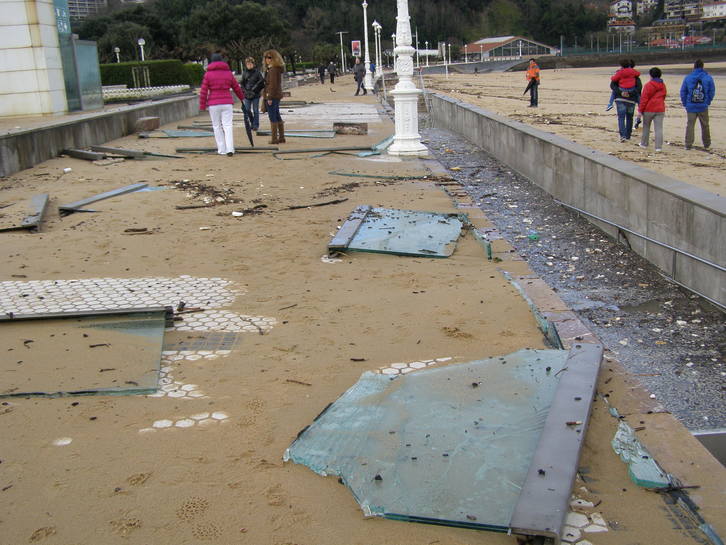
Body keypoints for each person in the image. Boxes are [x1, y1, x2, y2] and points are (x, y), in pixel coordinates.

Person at [199, 52, 244, 156]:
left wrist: (202, 105)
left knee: (216, 126)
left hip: (213, 103)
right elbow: (236, 87)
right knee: (228, 125)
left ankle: (221, 149)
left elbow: (204, 91)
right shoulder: (228, 73)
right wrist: (242, 98)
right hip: (227, 102)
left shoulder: (208, 74)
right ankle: (230, 149)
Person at [680, 59, 716, 150]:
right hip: (703, 105)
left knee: (690, 125)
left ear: (694, 66)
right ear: (702, 66)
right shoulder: (708, 77)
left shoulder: (688, 77)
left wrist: (685, 103)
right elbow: (712, 91)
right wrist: (708, 101)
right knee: (705, 125)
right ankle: (707, 143)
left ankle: (688, 144)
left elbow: (683, 91)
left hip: (691, 105)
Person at [611, 58, 641, 142]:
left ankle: (623, 136)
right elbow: (639, 88)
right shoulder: (634, 74)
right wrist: (630, 93)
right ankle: (628, 135)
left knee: (621, 117)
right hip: (631, 99)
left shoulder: (619, 72)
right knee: (629, 117)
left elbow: (613, 82)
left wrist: (621, 92)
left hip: (620, 98)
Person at [638, 67, 667, 152]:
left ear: (651, 75)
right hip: (660, 108)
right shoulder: (662, 85)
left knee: (646, 127)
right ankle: (658, 147)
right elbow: (664, 96)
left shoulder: (648, 85)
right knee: (659, 128)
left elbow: (644, 99)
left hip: (649, 109)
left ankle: (644, 143)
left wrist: (640, 110)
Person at [263, 49, 285, 144]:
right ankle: (281, 137)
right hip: (276, 95)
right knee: (276, 115)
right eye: (266, 57)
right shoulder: (275, 69)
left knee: (273, 117)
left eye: (269, 57)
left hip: (272, 95)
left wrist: (269, 97)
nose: (267, 59)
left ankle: (274, 139)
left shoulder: (272, 70)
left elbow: (272, 84)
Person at [240, 56, 265, 132]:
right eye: (248, 64)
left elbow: (261, 83)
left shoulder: (257, 72)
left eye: (250, 63)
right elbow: (242, 83)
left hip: (255, 94)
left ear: (253, 64)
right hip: (247, 94)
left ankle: (255, 125)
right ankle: (252, 121)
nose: (249, 65)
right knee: (247, 109)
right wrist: (245, 91)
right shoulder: (244, 73)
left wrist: (255, 90)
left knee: (255, 110)